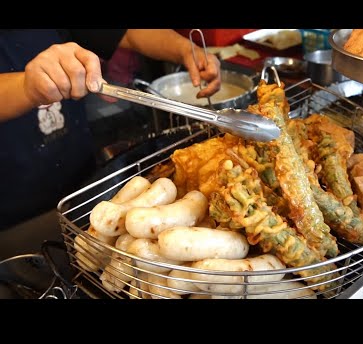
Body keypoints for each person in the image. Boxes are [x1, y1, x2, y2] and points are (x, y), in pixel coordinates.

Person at [0, 29, 221, 228]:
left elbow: (126, 32)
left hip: (81, 186)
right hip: (14, 213)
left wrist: (184, 49)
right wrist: (27, 87)